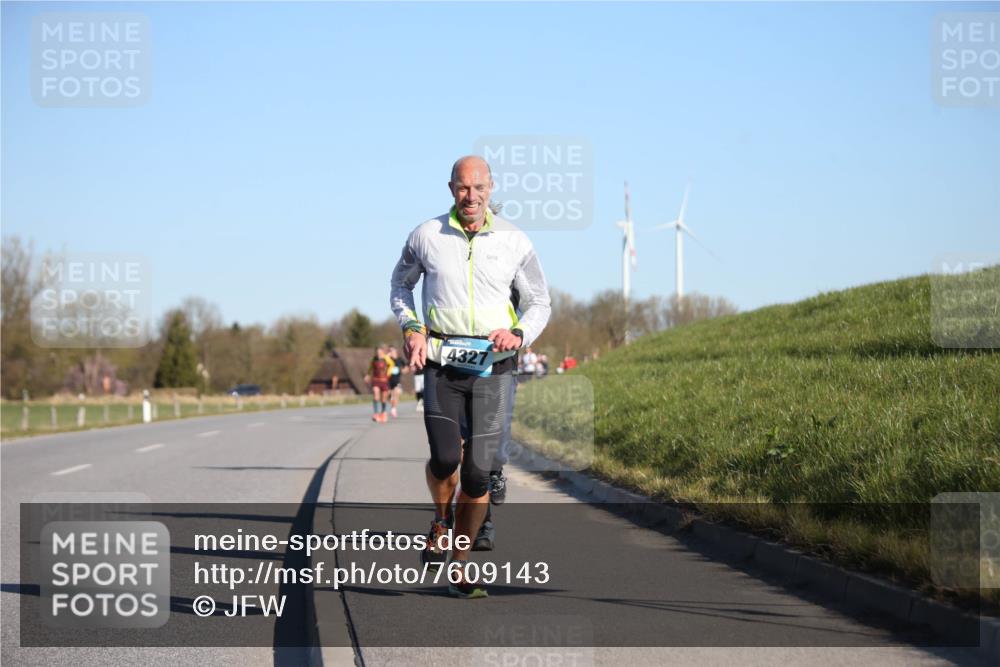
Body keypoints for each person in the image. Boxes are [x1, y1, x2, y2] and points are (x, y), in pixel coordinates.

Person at [390, 155, 551, 598]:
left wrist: (519, 333)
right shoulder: (426, 235)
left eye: (479, 188)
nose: (471, 196)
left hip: (494, 367)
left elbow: (540, 302)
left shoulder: (515, 240)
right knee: (446, 460)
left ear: (491, 188)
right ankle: (441, 520)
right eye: (463, 188)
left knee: (479, 474)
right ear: (451, 189)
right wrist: (412, 327)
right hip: (443, 364)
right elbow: (400, 286)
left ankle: (460, 566)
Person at [364, 345, 393, 423]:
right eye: (377, 353)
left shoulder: (386, 358)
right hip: (376, 380)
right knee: (376, 395)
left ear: (383, 353)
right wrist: (367, 375)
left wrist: (388, 373)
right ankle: (376, 414)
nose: (378, 354)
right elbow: (370, 368)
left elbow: (392, 365)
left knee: (383, 399)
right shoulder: (374, 359)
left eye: (380, 353)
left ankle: (383, 413)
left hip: (384, 380)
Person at [387, 345, 403, 418]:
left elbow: (406, 367)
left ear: (395, 351)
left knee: (396, 394)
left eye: (392, 351)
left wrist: (402, 370)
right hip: (388, 380)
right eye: (389, 351)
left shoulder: (399, 359)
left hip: (396, 380)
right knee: (389, 396)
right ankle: (392, 406)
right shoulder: (387, 359)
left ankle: (393, 409)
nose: (391, 352)